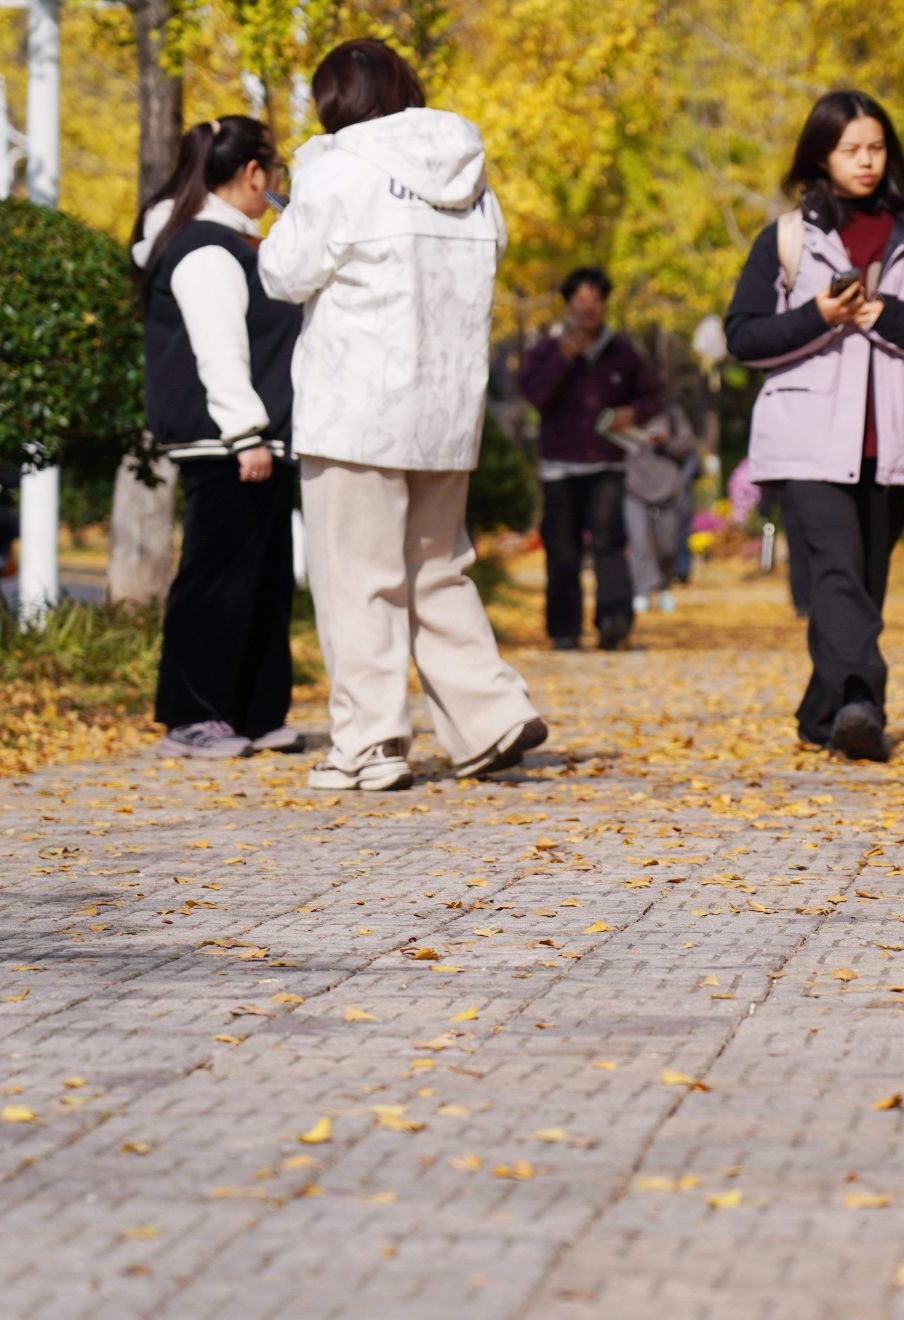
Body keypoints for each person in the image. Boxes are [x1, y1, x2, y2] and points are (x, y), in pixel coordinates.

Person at [259, 37, 546, 791]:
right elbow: (494, 255)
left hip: (356, 405)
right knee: (436, 569)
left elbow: (284, 272)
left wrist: (295, 203)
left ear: (334, 100)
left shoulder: (337, 167)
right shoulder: (470, 176)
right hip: (444, 408)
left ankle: (371, 741)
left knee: (358, 577)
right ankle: (490, 716)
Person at [724, 90, 904, 761]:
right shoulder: (786, 239)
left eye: (876, 148)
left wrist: (885, 314)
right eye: (850, 150)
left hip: (896, 442)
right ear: (821, 156)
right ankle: (865, 701)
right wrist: (820, 316)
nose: (866, 161)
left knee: (863, 583)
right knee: (837, 571)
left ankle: (823, 714)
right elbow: (744, 336)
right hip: (807, 440)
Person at [134, 115, 303, 762]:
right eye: (274, 171)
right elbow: (219, 347)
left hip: (255, 439)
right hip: (229, 440)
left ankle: (255, 713)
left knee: (265, 579)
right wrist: (245, 432)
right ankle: (191, 715)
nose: (276, 183)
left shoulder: (230, 242)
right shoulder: (206, 247)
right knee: (217, 579)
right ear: (254, 173)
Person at [519, 269, 659, 650]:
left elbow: (651, 396)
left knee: (609, 544)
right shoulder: (546, 350)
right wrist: (562, 360)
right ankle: (564, 629)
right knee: (562, 550)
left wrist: (633, 412)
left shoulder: (622, 351)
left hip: (607, 464)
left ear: (605, 305)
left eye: (596, 300)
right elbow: (534, 395)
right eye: (580, 300)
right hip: (559, 467)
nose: (588, 308)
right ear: (568, 305)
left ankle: (614, 621)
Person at [623, 400, 699, 614]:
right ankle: (643, 589)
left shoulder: (671, 412)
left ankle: (664, 584)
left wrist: (666, 441)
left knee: (668, 547)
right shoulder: (623, 408)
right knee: (639, 541)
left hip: (667, 490)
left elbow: (687, 447)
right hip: (634, 488)